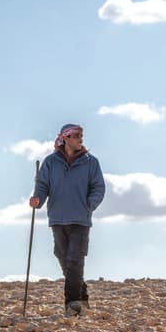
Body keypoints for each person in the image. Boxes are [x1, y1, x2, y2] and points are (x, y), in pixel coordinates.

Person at [29, 124, 105, 316]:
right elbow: (43, 185)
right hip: (57, 218)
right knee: (63, 258)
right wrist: (37, 200)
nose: (80, 139)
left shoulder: (91, 162)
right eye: (76, 135)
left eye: (81, 135)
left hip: (80, 219)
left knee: (75, 259)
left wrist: (89, 205)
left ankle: (72, 304)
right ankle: (83, 295)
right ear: (65, 138)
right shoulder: (50, 162)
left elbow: (98, 187)